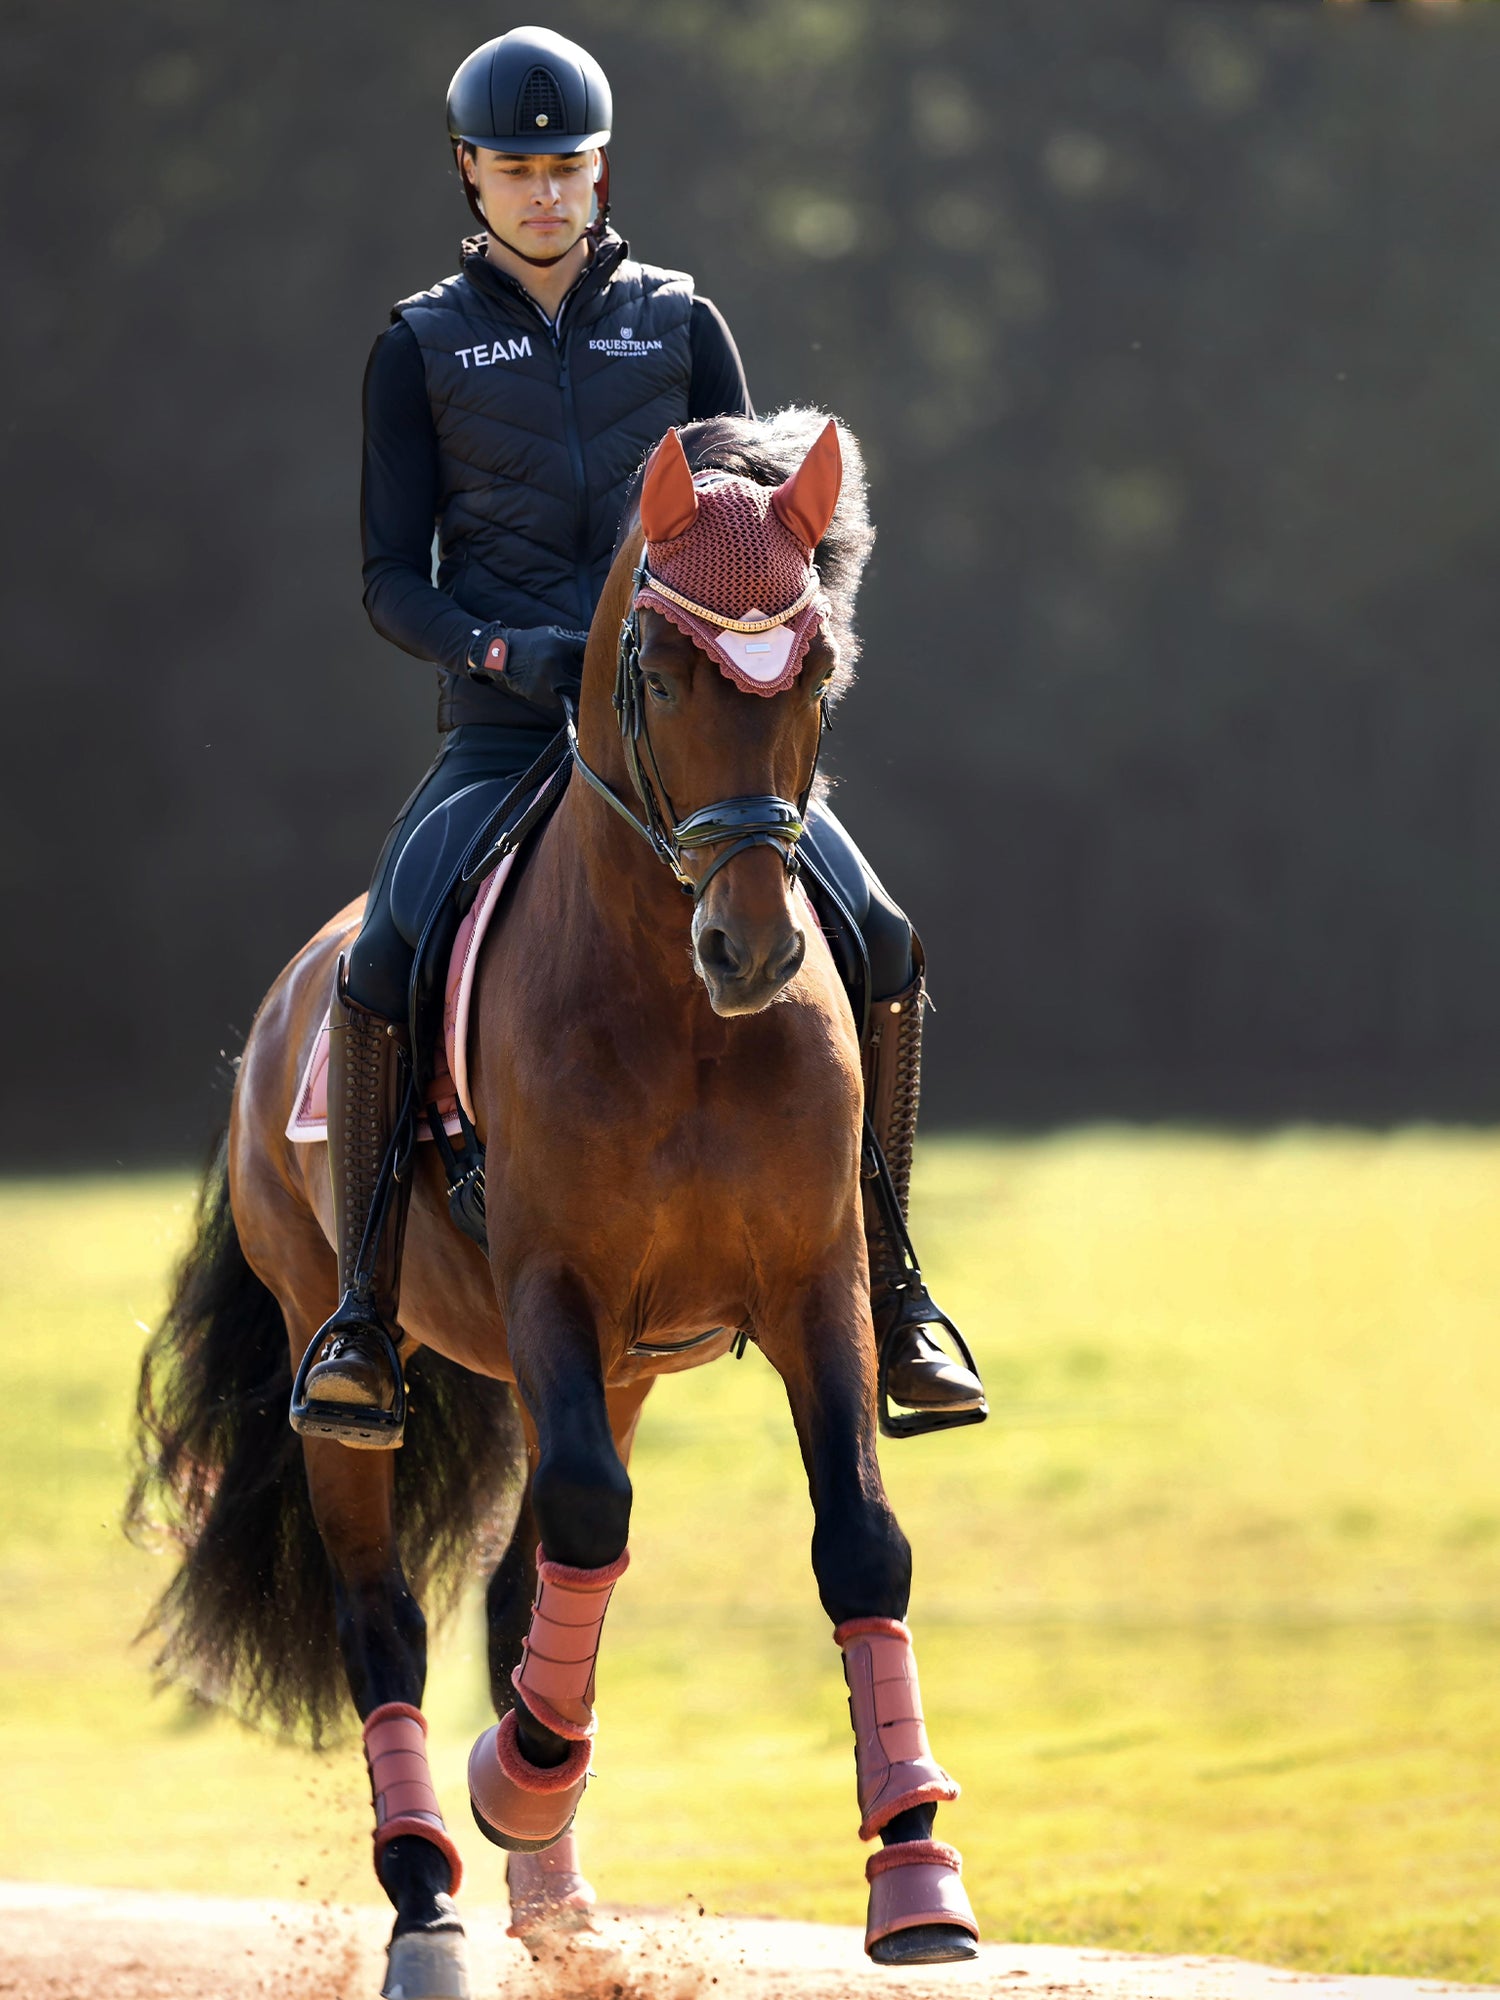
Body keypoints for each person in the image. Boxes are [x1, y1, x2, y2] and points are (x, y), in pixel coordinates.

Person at [295, 25, 986, 1444]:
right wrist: (505, 650)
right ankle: (363, 1310)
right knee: (380, 958)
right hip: (505, 732)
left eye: (567, 166)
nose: (545, 192)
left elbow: (752, 535)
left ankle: (898, 1282)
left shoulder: (680, 321)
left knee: (887, 932)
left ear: (601, 171)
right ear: (470, 176)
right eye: (516, 169)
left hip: (692, 745)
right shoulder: (418, 345)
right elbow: (389, 582)